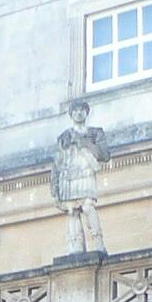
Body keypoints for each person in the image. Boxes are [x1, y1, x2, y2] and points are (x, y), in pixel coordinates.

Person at [51, 99, 110, 255]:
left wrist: (83, 143)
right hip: (68, 176)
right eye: (75, 110)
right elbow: (57, 163)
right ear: (71, 114)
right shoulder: (64, 137)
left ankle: (99, 243)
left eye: (81, 110)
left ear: (86, 112)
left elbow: (104, 155)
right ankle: (75, 247)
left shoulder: (95, 133)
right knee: (72, 210)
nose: (78, 113)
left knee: (88, 206)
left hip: (86, 172)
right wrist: (54, 189)